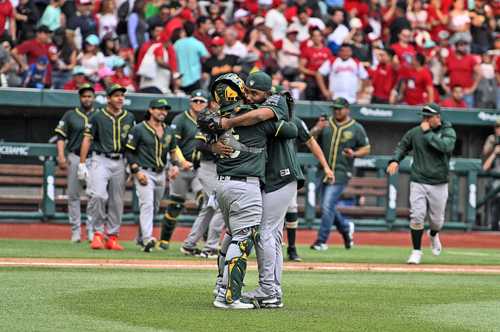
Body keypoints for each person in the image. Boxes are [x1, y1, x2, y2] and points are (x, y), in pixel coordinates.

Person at [204, 73, 298, 309]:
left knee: (243, 234)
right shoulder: (249, 116)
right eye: (246, 90)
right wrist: (213, 142)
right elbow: (291, 130)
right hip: (248, 183)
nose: (248, 95)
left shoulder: (217, 117)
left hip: (249, 180)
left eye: (254, 92)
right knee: (245, 236)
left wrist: (220, 132)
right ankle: (231, 293)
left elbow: (293, 129)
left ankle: (234, 287)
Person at [387, 103, 456, 264]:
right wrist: (395, 160)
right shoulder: (414, 133)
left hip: (439, 182)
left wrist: (428, 133)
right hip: (419, 180)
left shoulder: (448, 131)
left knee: (437, 221)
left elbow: (446, 147)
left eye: (439, 115)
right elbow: (402, 146)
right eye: (434, 117)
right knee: (417, 216)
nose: (438, 119)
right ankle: (416, 251)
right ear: (426, 119)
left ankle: (433, 234)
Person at [79, 84, 136, 251]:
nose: (120, 98)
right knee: (97, 195)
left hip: (120, 160)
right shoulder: (97, 116)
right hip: (100, 159)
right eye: (116, 95)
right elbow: (87, 139)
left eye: (122, 96)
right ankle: (97, 233)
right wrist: (82, 163)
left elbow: (133, 144)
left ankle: (112, 236)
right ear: (108, 98)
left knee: (117, 201)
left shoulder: (129, 117)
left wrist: (132, 164)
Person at [309, 97, 371, 251]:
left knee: (327, 205)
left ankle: (321, 241)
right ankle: (345, 228)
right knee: (327, 206)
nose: (336, 111)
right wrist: (317, 128)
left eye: (339, 108)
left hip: (341, 172)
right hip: (322, 170)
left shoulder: (355, 127)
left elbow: (367, 148)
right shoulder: (326, 123)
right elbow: (309, 139)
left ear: (347, 109)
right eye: (334, 108)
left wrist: (354, 153)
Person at [125, 98, 180, 252]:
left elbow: (173, 150)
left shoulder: (168, 130)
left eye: (165, 109)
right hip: (144, 171)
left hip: (160, 172)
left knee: (154, 206)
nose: (163, 112)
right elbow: (129, 151)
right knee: (147, 204)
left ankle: (141, 237)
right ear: (150, 110)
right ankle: (148, 239)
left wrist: (175, 166)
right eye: (159, 108)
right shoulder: (139, 129)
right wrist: (136, 171)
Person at [156, 91, 204, 250]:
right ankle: (164, 241)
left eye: (201, 101)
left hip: (201, 167)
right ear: (190, 102)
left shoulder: (209, 119)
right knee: (176, 204)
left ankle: (204, 242)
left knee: (205, 202)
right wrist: (180, 162)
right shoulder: (181, 119)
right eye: (195, 100)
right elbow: (173, 144)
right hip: (182, 167)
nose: (198, 103)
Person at [285, 115, 334, 261]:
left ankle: (292, 247)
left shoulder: (294, 120)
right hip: (264, 170)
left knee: (292, 208)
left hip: (287, 171)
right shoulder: (260, 115)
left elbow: (309, 141)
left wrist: (325, 166)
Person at [54, 83, 96, 243]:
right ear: (80, 98)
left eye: (89, 96)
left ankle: (92, 230)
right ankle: (76, 231)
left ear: (93, 98)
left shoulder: (99, 114)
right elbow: (60, 136)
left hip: (94, 159)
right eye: (84, 96)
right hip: (75, 156)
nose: (87, 99)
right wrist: (61, 156)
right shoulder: (70, 114)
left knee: (93, 195)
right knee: (73, 195)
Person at [181, 114, 225, 259]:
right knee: (221, 206)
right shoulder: (211, 119)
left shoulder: (230, 118)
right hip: (208, 168)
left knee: (208, 208)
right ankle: (210, 248)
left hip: (218, 168)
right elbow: (199, 144)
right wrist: (215, 148)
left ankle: (189, 244)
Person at [174, 21, 209, 94]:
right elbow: (207, 56)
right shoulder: (197, 43)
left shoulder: (177, 44)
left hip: (180, 79)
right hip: (195, 78)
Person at [482, 119, 500, 231]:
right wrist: (495, 152)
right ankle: (492, 225)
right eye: (497, 127)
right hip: (495, 183)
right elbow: (485, 168)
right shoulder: (492, 140)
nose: (499, 130)